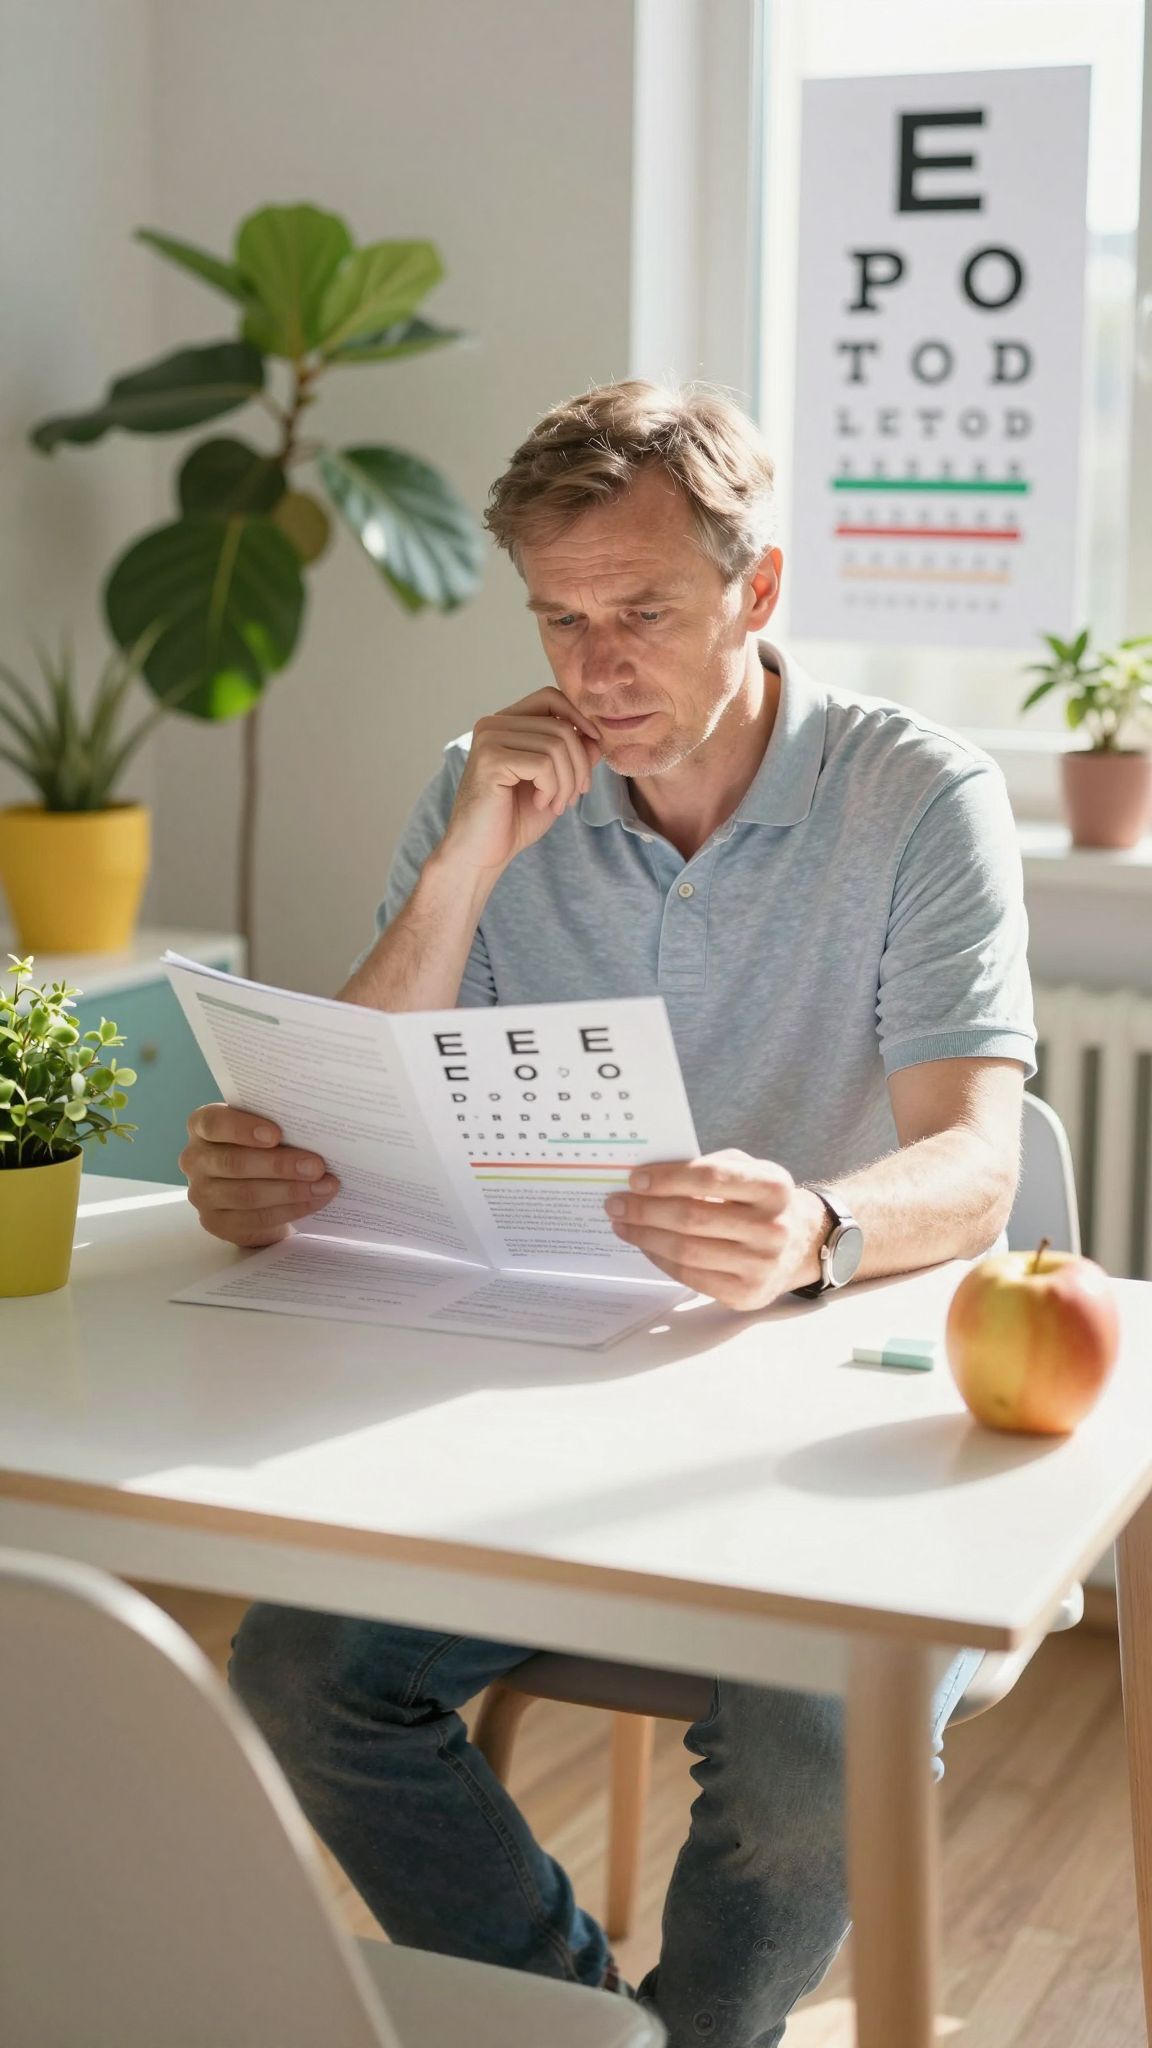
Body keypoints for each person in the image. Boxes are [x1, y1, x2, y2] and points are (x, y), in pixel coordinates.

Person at [179, 382, 1036, 2048]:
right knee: (298, 1674)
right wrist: (468, 860)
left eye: (644, 613)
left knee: (808, 1768)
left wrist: (817, 1226)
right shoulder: (489, 778)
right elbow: (346, 1117)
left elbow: (976, 1158)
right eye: (560, 620)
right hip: (554, 1392)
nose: (596, 670)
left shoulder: (918, 794)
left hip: (828, 1418)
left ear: (758, 589)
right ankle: (592, 2032)